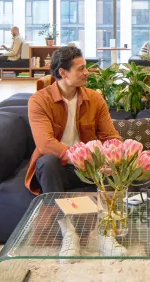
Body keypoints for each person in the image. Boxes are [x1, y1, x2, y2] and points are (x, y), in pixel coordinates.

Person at [25, 45, 122, 257]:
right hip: (60, 168)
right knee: (47, 162)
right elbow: (45, 144)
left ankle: (106, 236)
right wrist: (84, 158)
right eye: (81, 69)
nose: (87, 72)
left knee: (116, 165)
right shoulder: (39, 101)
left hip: (90, 169)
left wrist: (110, 157)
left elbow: (111, 137)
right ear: (63, 72)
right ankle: (68, 233)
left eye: (85, 67)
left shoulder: (94, 99)